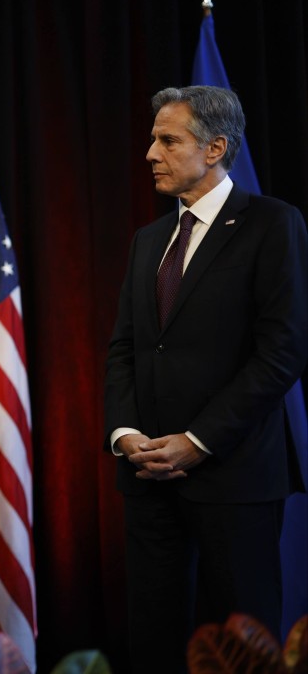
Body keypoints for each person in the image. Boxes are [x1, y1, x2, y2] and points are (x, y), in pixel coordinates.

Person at [104, 85, 307, 673]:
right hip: (147, 478)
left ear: (215, 147)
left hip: (234, 474)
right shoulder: (149, 241)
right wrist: (124, 434)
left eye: (168, 140)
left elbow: (283, 351)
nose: (150, 152)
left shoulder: (272, 224)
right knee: (154, 642)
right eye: (152, 138)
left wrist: (197, 441)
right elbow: (125, 349)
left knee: (244, 647)